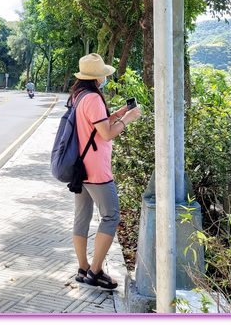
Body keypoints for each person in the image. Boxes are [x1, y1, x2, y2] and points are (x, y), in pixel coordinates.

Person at [68, 52, 142, 290]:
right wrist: (128, 118)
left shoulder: (79, 96)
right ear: (98, 77)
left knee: (82, 217)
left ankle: (83, 268)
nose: (105, 78)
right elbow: (106, 134)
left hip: (80, 168)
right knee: (111, 216)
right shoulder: (94, 98)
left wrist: (115, 115)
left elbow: (93, 126)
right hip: (96, 170)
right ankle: (96, 271)